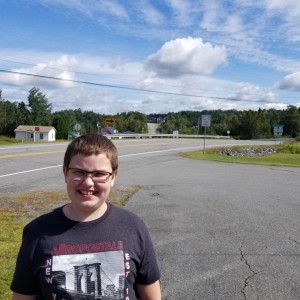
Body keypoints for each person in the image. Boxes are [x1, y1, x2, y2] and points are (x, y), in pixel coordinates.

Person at [11, 133, 161, 300]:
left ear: (113, 177)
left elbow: (151, 294)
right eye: (79, 172)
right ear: (65, 172)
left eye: (99, 174)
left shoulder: (133, 227)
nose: (88, 182)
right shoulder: (38, 233)